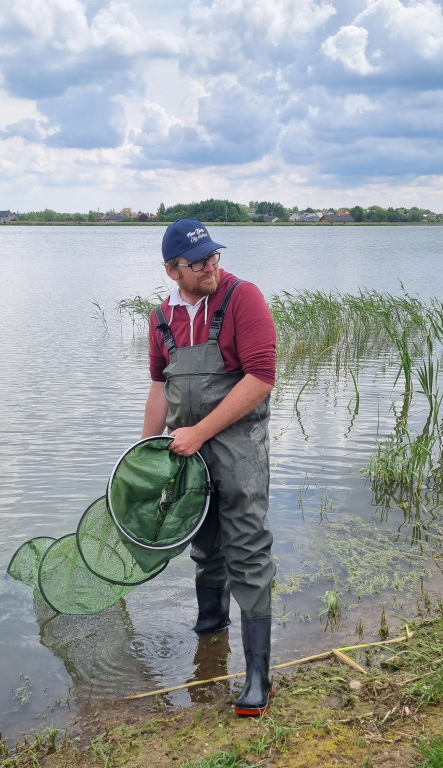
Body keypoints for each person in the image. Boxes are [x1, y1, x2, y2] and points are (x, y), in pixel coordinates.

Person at [140, 218, 277, 717]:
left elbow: (261, 377)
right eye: (199, 263)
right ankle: (209, 630)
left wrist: (201, 431)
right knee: (204, 542)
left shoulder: (243, 298)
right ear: (173, 270)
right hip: (186, 455)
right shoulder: (160, 318)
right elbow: (160, 387)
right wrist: (146, 452)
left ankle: (258, 676)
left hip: (238, 450)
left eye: (214, 256)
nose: (211, 268)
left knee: (247, 547)